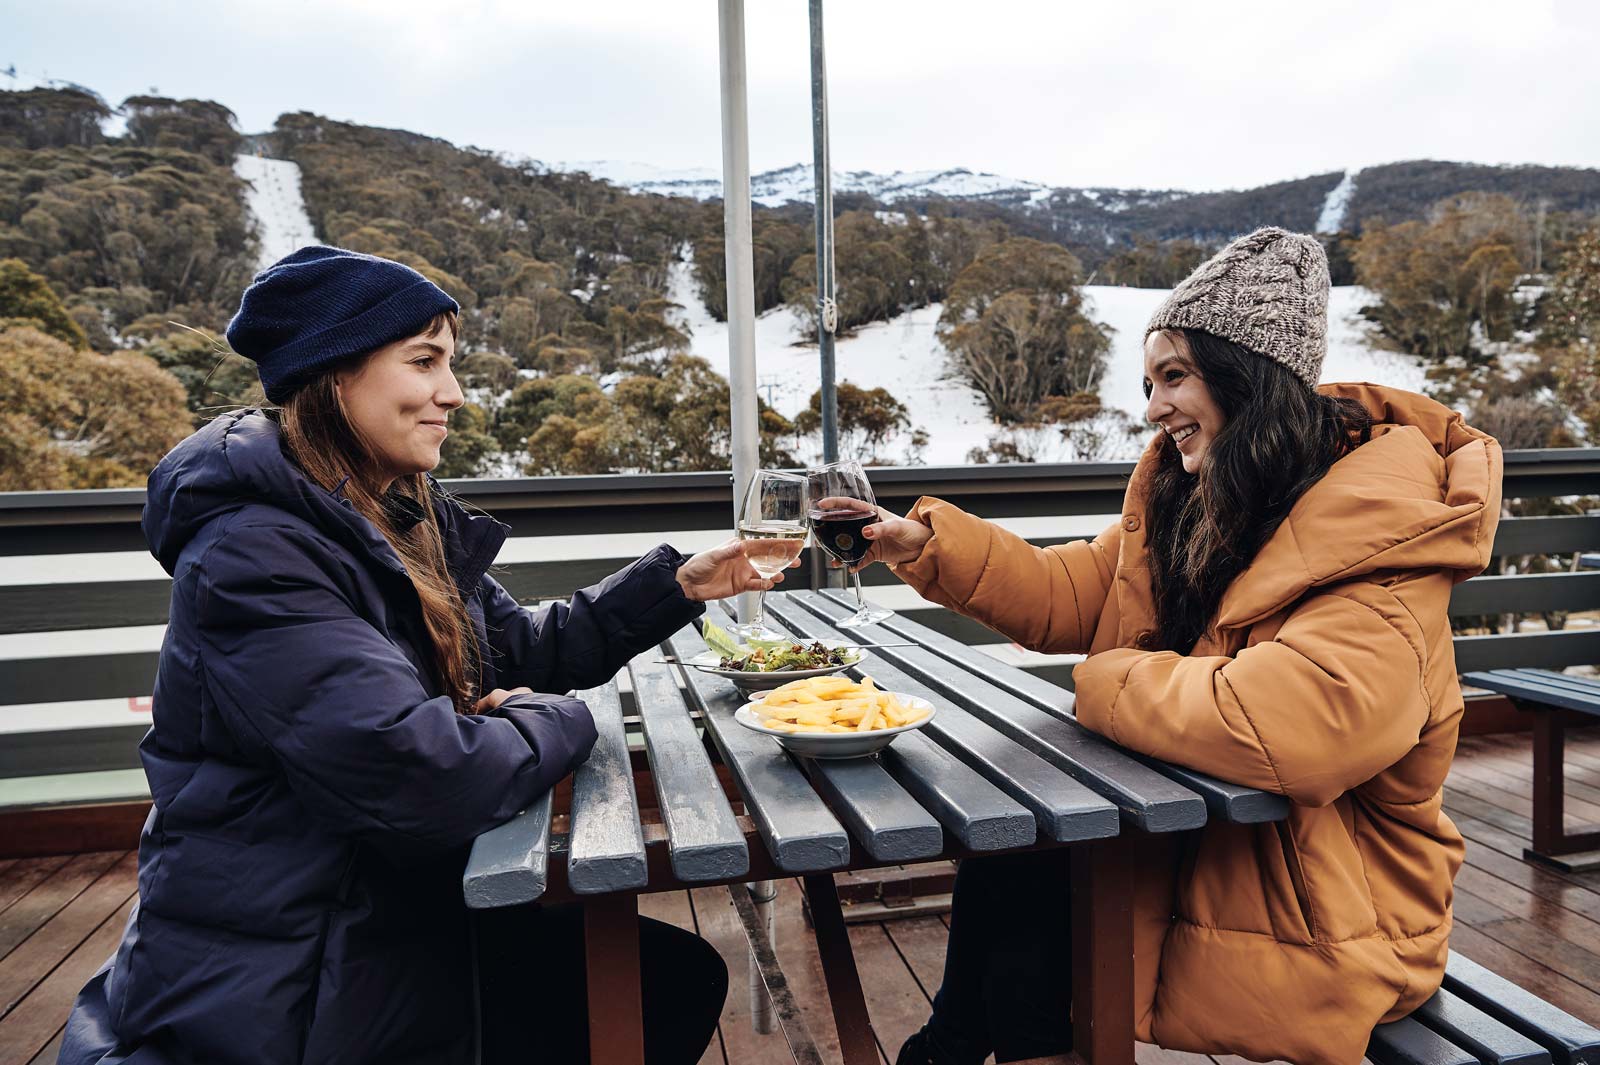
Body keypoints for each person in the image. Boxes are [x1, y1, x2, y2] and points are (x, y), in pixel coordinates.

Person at [59, 246, 773, 1065]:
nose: (453, 392)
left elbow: (519, 647)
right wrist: (558, 719)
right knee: (656, 985)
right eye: (424, 361)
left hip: (391, 900)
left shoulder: (390, 513)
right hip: (298, 961)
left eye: (451, 364)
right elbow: (421, 773)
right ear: (335, 376)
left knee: (670, 977)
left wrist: (677, 585)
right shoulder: (254, 552)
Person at [848, 228, 1503, 1065]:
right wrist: (926, 545)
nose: (1152, 408)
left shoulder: (1385, 537)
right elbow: (1080, 589)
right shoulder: (1206, 499)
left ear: (1247, 377)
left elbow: (1289, 727)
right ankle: (957, 1042)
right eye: (1150, 381)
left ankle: (962, 1045)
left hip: (1335, 915)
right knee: (1018, 842)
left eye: (1174, 377)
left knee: (1035, 868)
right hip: (1223, 855)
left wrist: (1105, 678)